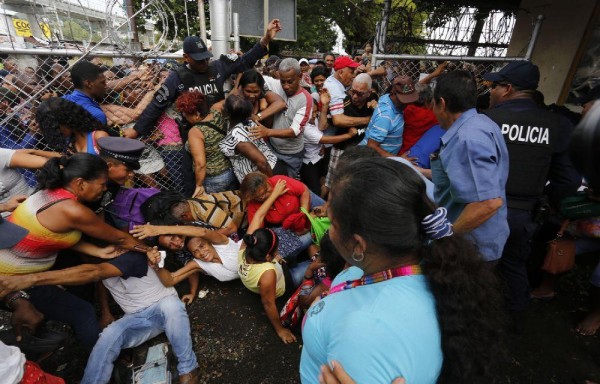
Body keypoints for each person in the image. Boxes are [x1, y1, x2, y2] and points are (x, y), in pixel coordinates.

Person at [300, 157, 504, 383]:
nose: (329, 232)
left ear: (359, 245)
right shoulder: (433, 264)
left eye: (333, 224)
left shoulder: (366, 334)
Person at [0, 153, 157, 351]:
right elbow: (120, 238)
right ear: (80, 183)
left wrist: (98, 252)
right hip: (13, 279)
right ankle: (101, 360)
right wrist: (149, 249)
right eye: (102, 184)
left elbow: (53, 237)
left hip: (16, 267)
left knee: (76, 297)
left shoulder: (48, 192)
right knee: (84, 313)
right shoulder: (72, 210)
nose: (105, 188)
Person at [482, 61, 581, 330]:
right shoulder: (557, 124)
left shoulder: (488, 120)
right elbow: (569, 179)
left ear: (508, 88)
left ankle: (469, 325)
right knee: (514, 265)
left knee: (476, 267)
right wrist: (543, 200)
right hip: (525, 213)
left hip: (484, 211)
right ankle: (514, 323)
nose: (490, 91)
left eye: (494, 86)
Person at [124, 19, 282, 140]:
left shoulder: (217, 67)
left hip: (220, 130)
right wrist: (137, 130)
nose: (204, 63)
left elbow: (245, 60)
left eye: (206, 58)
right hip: (194, 134)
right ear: (186, 57)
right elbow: (157, 105)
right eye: (199, 60)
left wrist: (266, 39)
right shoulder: (177, 76)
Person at [430, 70, 509, 263]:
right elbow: (463, 176)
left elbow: (488, 203)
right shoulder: (482, 123)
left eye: (432, 104)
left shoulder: (467, 139)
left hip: (470, 249)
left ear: (442, 103)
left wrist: (447, 237)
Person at [238, 179, 310, 344]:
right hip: (286, 281)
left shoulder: (244, 246)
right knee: (315, 263)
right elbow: (268, 303)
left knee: (305, 238)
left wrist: (275, 193)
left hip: (273, 268)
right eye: (277, 249)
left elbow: (259, 215)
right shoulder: (268, 273)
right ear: (269, 257)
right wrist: (280, 330)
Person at [250, 58, 313, 177]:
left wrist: (267, 132)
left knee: (285, 187)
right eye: (283, 81)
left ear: (300, 76)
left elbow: (294, 131)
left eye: (290, 82)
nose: (286, 86)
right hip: (273, 149)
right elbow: (255, 77)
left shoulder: (306, 99)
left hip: (291, 155)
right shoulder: (277, 85)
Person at [241, 172, 325, 260]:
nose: (263, 197)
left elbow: (304, 191)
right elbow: (257, 232)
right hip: (291, 226)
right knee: (305, 240)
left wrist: (303, 215)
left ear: (268, 182)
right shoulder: (253, 205)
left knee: (329, 214)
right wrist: (274, 195)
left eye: (266, 191)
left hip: (305, 208)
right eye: (258, 197)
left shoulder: (279, 182)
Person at [176, 91, 236, 195]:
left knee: (217, 207)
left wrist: (199, 185)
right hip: (230, 171)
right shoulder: (217, 111)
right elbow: (231, 97)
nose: (185, 117)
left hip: (214, 179)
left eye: (186, 114)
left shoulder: (196, 132)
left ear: (197, 114)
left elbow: (200, 164)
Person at [219, 94, 277, 183]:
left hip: (267, 173)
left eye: (224, 106)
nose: (222, 107)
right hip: (266, 169)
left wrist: (271, 185)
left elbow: (262, 163)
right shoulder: (245, 121)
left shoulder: (239, 139)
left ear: (228, 113)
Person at [359, 75, 418, 156]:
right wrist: (397, 159)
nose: (408, 103)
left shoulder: (387, 98)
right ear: (393, 93)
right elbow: (371, 146)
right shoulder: (385, 116)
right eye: (404, 100)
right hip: (372, 159)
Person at [36, 97, 108, 155]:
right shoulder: (70, 145)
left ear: (66, 120)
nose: (56, 131)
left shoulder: (98, 137)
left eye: (55, 127)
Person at [63, 61, 108, 125]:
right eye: (102, 82)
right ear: (89, 83)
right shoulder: (96, 115)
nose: (106, 86)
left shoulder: (61, 101)